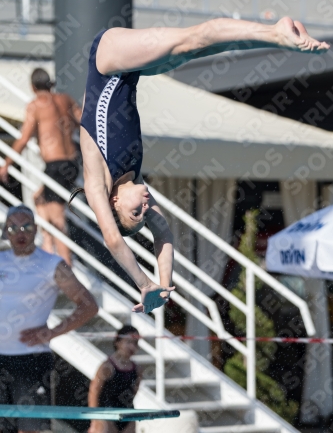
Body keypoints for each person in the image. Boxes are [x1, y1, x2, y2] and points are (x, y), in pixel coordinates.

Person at [73, 16, 329, 314]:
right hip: (128, 72)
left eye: (135, 212)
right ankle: (275, 35)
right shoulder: (134, 179)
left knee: (191, 39)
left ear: (113, 202)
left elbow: (112, 239)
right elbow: (164, 234)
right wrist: (164, 284)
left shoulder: (99, 179)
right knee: (199, 49)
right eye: (144, 213)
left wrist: (143, 284)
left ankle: (277, 33)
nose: (145, 208)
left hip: (107, 61)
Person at [0, 204, 99, 433]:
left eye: (25, 226)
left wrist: (52, 332)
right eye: (13, 228)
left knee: (32, 429)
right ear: (6, 232)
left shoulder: (51, 264)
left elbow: (89, 306)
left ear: (35, 229)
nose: (20, 232)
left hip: (31, 359)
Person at [0, 68, 82, 266]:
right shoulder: (66, 99)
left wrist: (6, 164)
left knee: (56, 220)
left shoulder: (36, 105)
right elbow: (85, 122)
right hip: (72, 162)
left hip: (55, 165)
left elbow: (24, 138)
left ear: (32, 87)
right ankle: (47, 248)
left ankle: (66, 266)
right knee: (39, 199)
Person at [88, 325, 142, 433]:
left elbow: (133, 393)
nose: (132, 347)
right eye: (128, 342)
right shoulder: (107, 366)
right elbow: (94, 392)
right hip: (106, 414)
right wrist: (94, 419)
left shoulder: (138, 369)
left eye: (135, 343)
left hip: (128, 415)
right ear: (117, 342)